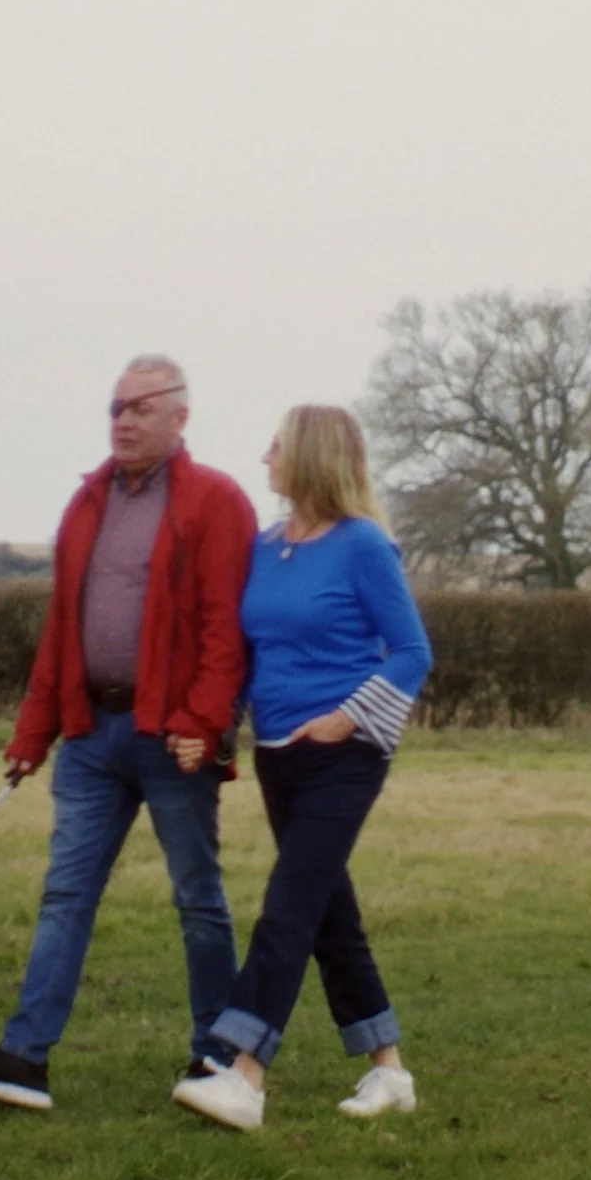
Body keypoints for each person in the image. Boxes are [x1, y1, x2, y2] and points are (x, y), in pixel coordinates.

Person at [0, 355, 258, 1110]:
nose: (124, 421)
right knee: (64, 894)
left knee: (197, 897)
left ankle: (218, 1058)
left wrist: (204, 722)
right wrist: (32, 732)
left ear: (180, 417)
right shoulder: (86, 503)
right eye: (115, 408)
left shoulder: (216, 501)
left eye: (141, 407)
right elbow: (61, 629)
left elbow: (223, 630)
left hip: (173, 738)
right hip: (90, 735)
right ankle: (23, 1061)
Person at [171, 404, 432, 1131]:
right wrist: (214, 729)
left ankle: (242, 1072)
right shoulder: (265, 546)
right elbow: (247, 653)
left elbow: (412, 653)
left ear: (311, 457)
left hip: (344, 756)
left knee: (288, 904)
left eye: (277, 446)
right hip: (277, 756)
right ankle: (388, 1070)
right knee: (326, 913)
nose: (265, 458)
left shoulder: (364, 547)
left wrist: (346, 717)